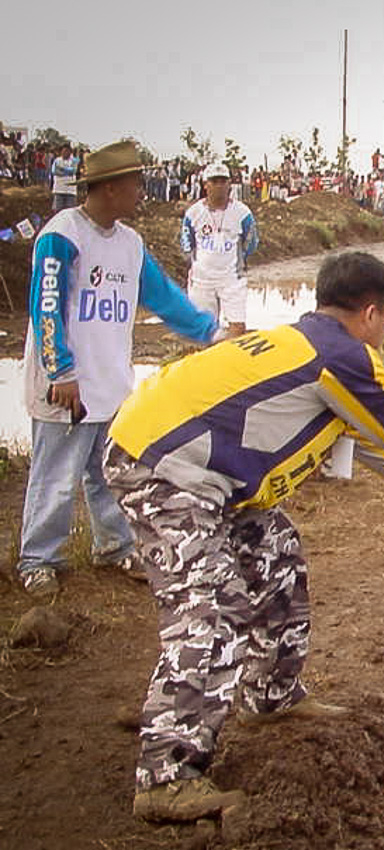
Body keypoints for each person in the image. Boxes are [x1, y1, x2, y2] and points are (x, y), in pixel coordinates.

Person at [105, 250, 384, 822]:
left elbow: (369, 442)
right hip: (161, 469)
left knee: (277, 555)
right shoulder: (338, 355)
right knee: (212, 608)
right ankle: (167, 772)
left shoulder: (302, 347)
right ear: (370, 313)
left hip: (194, 470)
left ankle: (271, 694)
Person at [17, 140, 219, 599]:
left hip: (110, 382)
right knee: (56, 474)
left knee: (107, 472)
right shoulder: (61, 235)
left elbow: (163, 296)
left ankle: (114, 545)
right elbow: (46, 308)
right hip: (67, 385)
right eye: (134, 182)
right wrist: (60, 371)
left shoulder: (129, 244)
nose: (141, 191)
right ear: (108, 188)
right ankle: (38, 559)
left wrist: (209, 331)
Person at [181, 162, 259, 339]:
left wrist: (240, 260)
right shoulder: (193, 213)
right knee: (203, 330)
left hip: (232, 278)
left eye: (223, 181)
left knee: (237, 328)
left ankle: (232, 364)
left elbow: (252, 240)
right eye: (214, 181)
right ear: (205, 184)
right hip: (202, 280)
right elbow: (186, 243)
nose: (219, 186)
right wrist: (196, 263)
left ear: (230, 184)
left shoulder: (242, 213)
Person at [50, 145, 80, 212]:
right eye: (64, 151)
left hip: (70, 191)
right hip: (59, 189)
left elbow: (73, 171)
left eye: (67, 151)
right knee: (57, 212)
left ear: (70, 152)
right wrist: (66, 172)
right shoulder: (57, 160)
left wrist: (61, 169)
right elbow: (54, 171)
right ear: (61, 152)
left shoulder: (74, 160)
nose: (65, 152)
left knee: (70, 212)